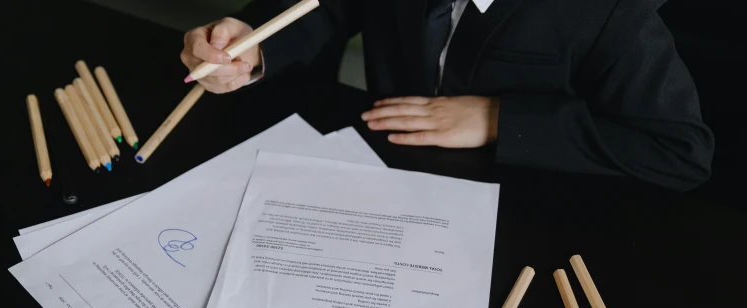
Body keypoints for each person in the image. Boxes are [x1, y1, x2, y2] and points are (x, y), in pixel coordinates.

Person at [180, 0, 714, 191]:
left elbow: (680, 151)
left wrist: (504, 119)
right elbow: (328, 5)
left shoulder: (610, 10)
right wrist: (252, 44)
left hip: (520, 204)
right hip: (382, 165)